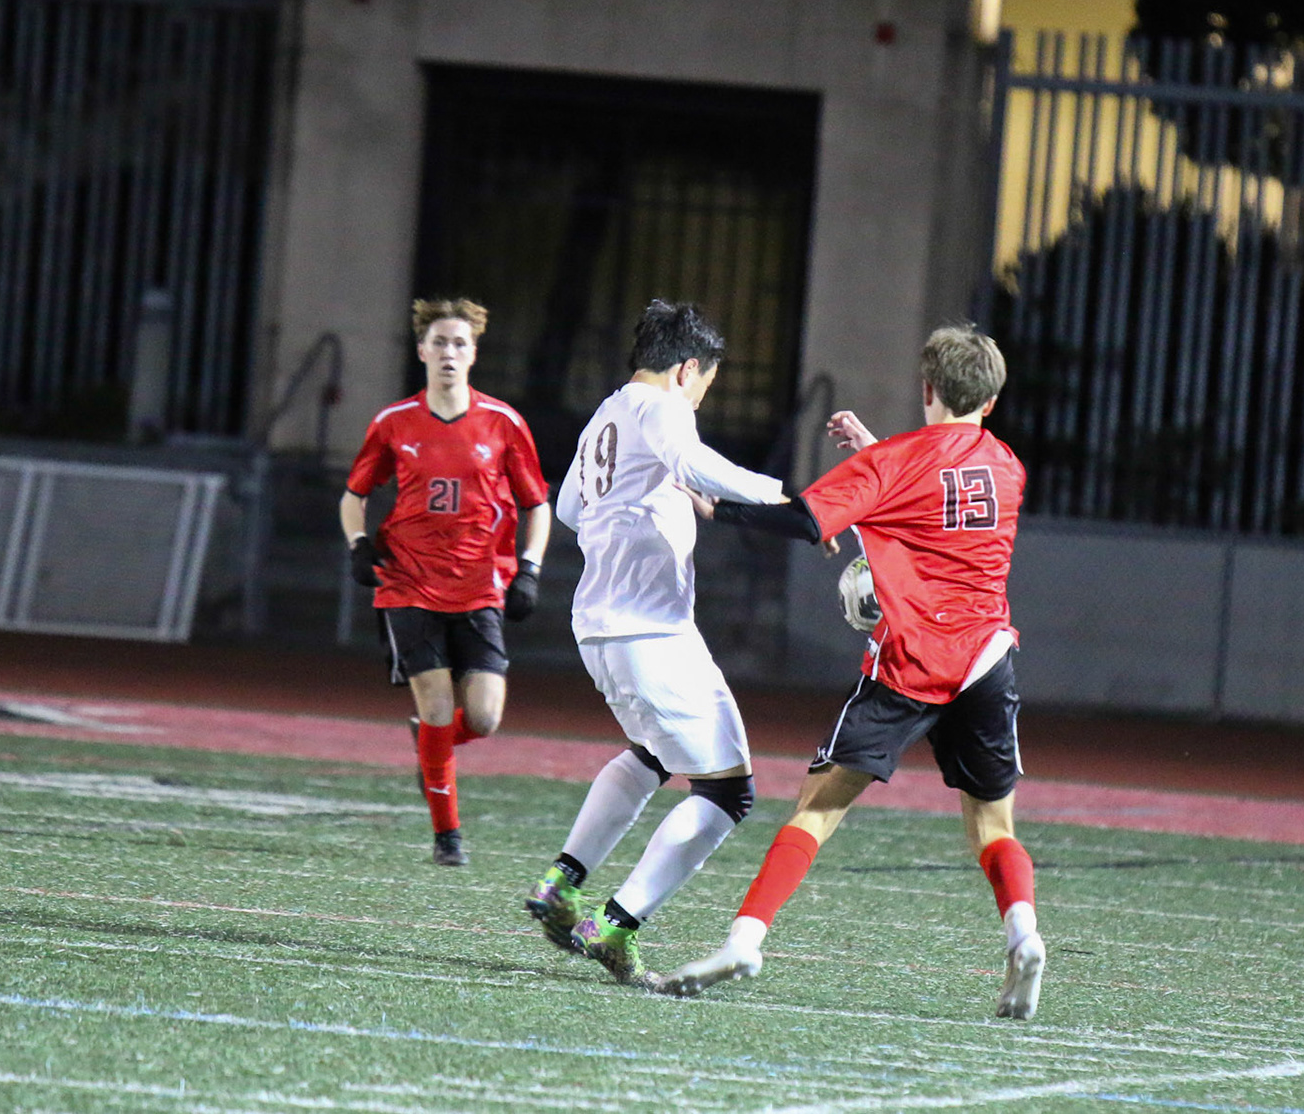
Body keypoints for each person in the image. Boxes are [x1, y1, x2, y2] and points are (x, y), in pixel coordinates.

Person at [660, 323, 1047, 1019]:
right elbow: (942, 489)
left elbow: (808, 521)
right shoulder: (1008, 465)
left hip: (910, 662)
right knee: (994, 825)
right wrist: (878, 455)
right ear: (991, 402)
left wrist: (719, 509)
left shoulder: (895, 462)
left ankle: (745, 940)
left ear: (926, 388)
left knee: (817, 807)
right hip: (987, 659)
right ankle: (1024, 936)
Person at [524, 299, 788, 986]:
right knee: (728, 793)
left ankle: (562, 881)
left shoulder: (607, 412)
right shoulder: (662, 405)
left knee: (650, 755)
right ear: (687, 369)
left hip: (598, 625)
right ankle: (616, 923)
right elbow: (691, 460)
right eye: (705, 384)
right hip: (651, 628)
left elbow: (570, 509)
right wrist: (783, 497)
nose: (700, 398)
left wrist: (645, 504)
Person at [340, 297, 550, 867]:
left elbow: (538, 505)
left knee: (483, 718)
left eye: (460, 343)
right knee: (436, 707)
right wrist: (358, 545)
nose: (449, 353)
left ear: (474, 353)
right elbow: (354, 495)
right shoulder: (393, 422)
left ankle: (431, 745)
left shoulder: (503, 423)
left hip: (480, 586)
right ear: (421, 351)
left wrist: (529, 569)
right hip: (409, 583)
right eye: (439, 343)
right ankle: (448, 837)